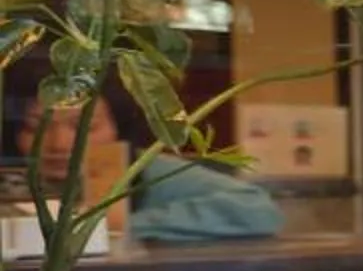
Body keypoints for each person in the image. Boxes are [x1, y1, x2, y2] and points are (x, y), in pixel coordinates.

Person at [20, 90, 285, 244]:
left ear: (119, 129)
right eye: (36, 127)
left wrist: (116, 225)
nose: (59, 144)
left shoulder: (148, 170)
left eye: (83, 127)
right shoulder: (15, 178)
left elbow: (256, 209)